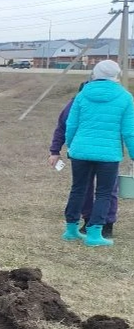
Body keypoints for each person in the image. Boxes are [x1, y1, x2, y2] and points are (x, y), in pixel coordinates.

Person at [61, 60, 134, 247]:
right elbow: (129, 131)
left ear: (94, 73)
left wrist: (71, 146)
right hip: (109, 155)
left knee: (78, 189)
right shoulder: (125, 97)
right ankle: (94, 234)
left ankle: (71, 229)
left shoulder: (82, 95)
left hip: (80, 152)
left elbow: (71, 124)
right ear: (116, 75)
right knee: (104, 193)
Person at [49, 83, 119, 237]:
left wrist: (62, 149)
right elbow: (64, 126)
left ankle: (96, 224)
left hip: (84, 153)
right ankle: (98, 223)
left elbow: (64, 128)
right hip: (104, 153)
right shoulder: (115, 100)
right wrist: (55, 150)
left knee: (86, 188)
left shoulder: (79, 102)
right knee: (103, 190)